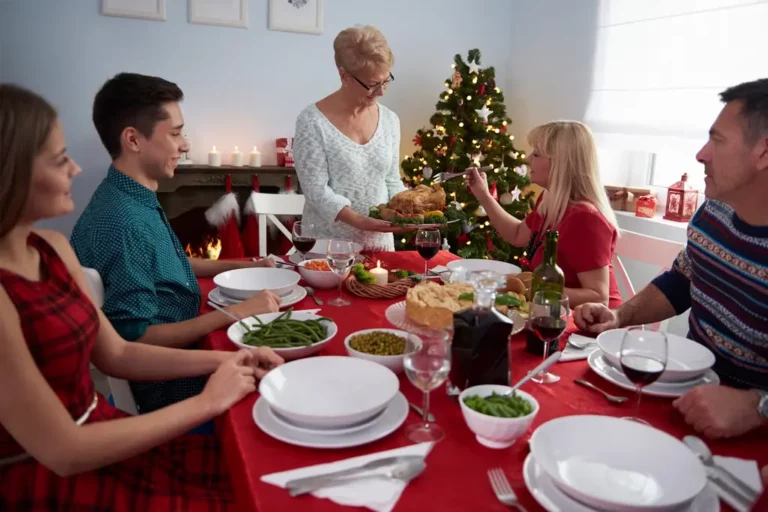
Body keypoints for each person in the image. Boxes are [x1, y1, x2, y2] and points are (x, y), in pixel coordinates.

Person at [0, 84, 283, 509]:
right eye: (60, 159)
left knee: (267, 478)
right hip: (54, 470)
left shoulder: (52, 247)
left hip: (104, 427)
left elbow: (116, 352)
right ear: (10, 172)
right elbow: (64, 451)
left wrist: (229, 360)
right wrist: (210, 397)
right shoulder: (119, 222)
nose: (77, 169)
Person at [70, 73, 280, 415]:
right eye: (176, 133)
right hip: (175, 388)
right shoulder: (125, 223)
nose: (184, 145)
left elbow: (170, 264)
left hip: (190, 354)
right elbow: (133, 339)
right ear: (133, 140)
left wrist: (243, 265)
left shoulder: (130, 195)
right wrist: (233, 313)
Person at [575, 78, 768, 439]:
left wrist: (757, 406)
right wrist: (620, 315)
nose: (701, 153)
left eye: (718, 140)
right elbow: (682, 281)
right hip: (686, 396)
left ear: (764, 152)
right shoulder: (715, 210)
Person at [467, 121, 622, 308]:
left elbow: (598, 298)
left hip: (591, 327)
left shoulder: (585, 218)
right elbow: (517, 234)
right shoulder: (550, 199)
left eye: (536, 154)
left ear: (561, 163)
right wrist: (483, 194)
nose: (527, 159)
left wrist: (532, 289)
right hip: (550, 312)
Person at [293, 25, 407, 251]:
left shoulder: (390, 121)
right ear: (344, 75)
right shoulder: (312, 121)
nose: (382, 92)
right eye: (373, 85)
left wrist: (410, 212)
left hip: (380, 248)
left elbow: (392, 181)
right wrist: (361, 222)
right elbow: (316, 190)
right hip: (326, 250)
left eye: (386, 81)